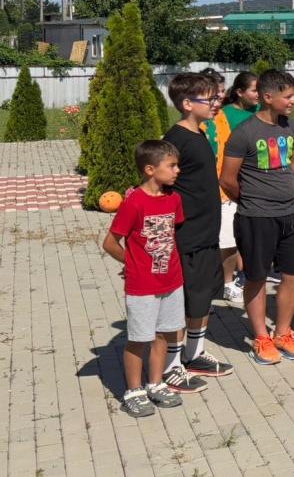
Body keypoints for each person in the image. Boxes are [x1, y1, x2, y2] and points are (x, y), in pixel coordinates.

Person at [219, 70, 294, 366]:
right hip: (256, 217)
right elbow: (227, 179)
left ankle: (282, 333)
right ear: (268, 97)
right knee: (256, 277)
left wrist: (281, 188)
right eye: (289, 96)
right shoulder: (244, 133)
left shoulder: (290, 125)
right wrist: (253, 200)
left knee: (293, 276)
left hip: (292, 213)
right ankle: (261, 337)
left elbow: (293, 162)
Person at [103, 141, 190, 417]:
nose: (177, 170)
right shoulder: (134, 203)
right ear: (150, 169)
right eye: (171, 166)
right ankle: (133, 390)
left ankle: (155, 383)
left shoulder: (174, 199)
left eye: (177, 165)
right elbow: (110, 243)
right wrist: (131, 265)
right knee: (139, 338)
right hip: (143, 286)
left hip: (172, 281)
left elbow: (171, 235)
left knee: (164, 334)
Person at [161, 73, 232, 390]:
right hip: (186, 235)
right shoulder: (176, 139)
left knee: (202, 298)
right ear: (187, 104)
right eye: (210, 98)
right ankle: (171, 366)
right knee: (183, 302)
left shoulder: (200, 133)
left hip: (206, 233)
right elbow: (162, 186)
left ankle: (194, 353)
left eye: (216, 97)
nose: (216, 103)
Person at [209, 71, 258, 303]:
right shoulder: (220, 117)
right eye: (214, 93)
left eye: (221, 92)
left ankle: (231, 279)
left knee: (233, 238)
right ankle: (221, 282)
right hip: (217, 187)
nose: (219, 97)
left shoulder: (225, 117)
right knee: (222, 239)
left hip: (235, 185)